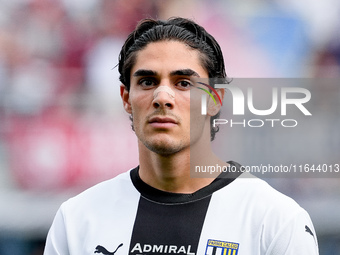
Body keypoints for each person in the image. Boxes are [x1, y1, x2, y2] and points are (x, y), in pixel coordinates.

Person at [44, 17, 319, 255]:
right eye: (148, 82)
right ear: (126, 99)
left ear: (215, 100)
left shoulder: (275, 221)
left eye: (183, 83)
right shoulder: (77, 219)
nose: (162, 97)